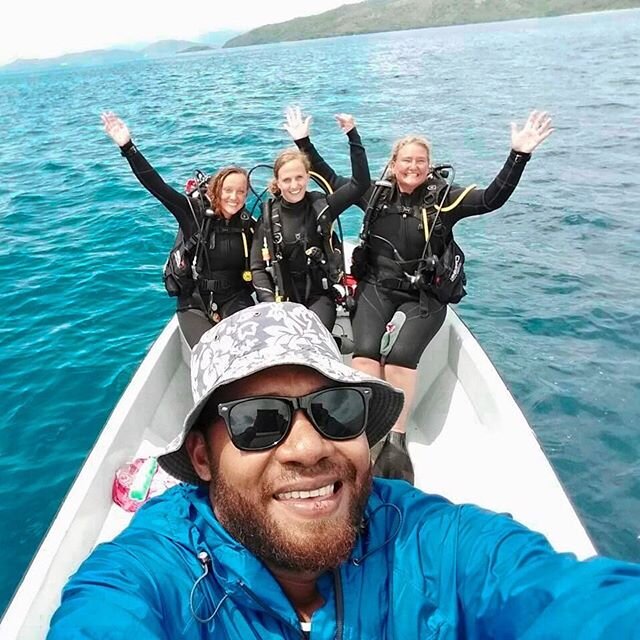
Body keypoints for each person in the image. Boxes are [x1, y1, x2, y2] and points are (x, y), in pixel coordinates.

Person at [48, 302, 640, 639]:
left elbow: (561, 599)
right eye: (259, 421)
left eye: (335, 410)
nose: (308, 449)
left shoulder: (433, 539)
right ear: (203, 458)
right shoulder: (151, 572)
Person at [290, 108, 554, 484]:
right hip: (377, 287)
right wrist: (303, 142)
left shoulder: (444, 200)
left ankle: (396, 437)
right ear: (393, 163)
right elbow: (331, 177)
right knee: (365, 354)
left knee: (398, 359)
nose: (413, 167)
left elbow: (492, 198)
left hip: (424, 295)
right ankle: (373, 429)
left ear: (429, 166)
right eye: (406, 160)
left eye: (420, 161)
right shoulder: (375, 196)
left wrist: (519, 154)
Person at [101, 112, 255, 348]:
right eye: (228, 190)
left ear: (246, 195)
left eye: (240, 192)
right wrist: (128, 147)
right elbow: (157, 186)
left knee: (252, 347)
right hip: (193, 303)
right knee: (208, 355)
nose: (233, 197)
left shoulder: (249, 225)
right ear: (216, 191)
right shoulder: (192, 214)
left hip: (235, 299)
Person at [250, 109, 370, 332]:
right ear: (277, 182)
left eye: (299, 177)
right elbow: (257, 267)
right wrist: (271, 306)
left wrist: (353, 136)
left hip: (320, 298)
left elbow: (360, 184)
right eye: (287, 180)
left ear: (308, 177)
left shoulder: (323, 206)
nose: (294, 185)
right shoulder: (268, 216)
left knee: (310, 336)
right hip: (281, 299)